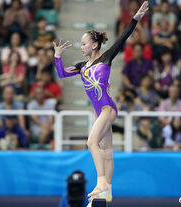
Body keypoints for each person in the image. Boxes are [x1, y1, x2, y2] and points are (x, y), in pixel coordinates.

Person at [53, 1, 149, 203]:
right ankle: (108, 191)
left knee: (91, 142)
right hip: (100, 112)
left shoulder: (105, 59)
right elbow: (61, 74)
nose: (82, 47)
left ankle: (101, 183)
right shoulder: (81, 66)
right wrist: (57, 57)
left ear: (95, 45)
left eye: (84, 43)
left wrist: (135, 18)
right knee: (106, 152)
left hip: (107, 108)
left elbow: (122, 38)